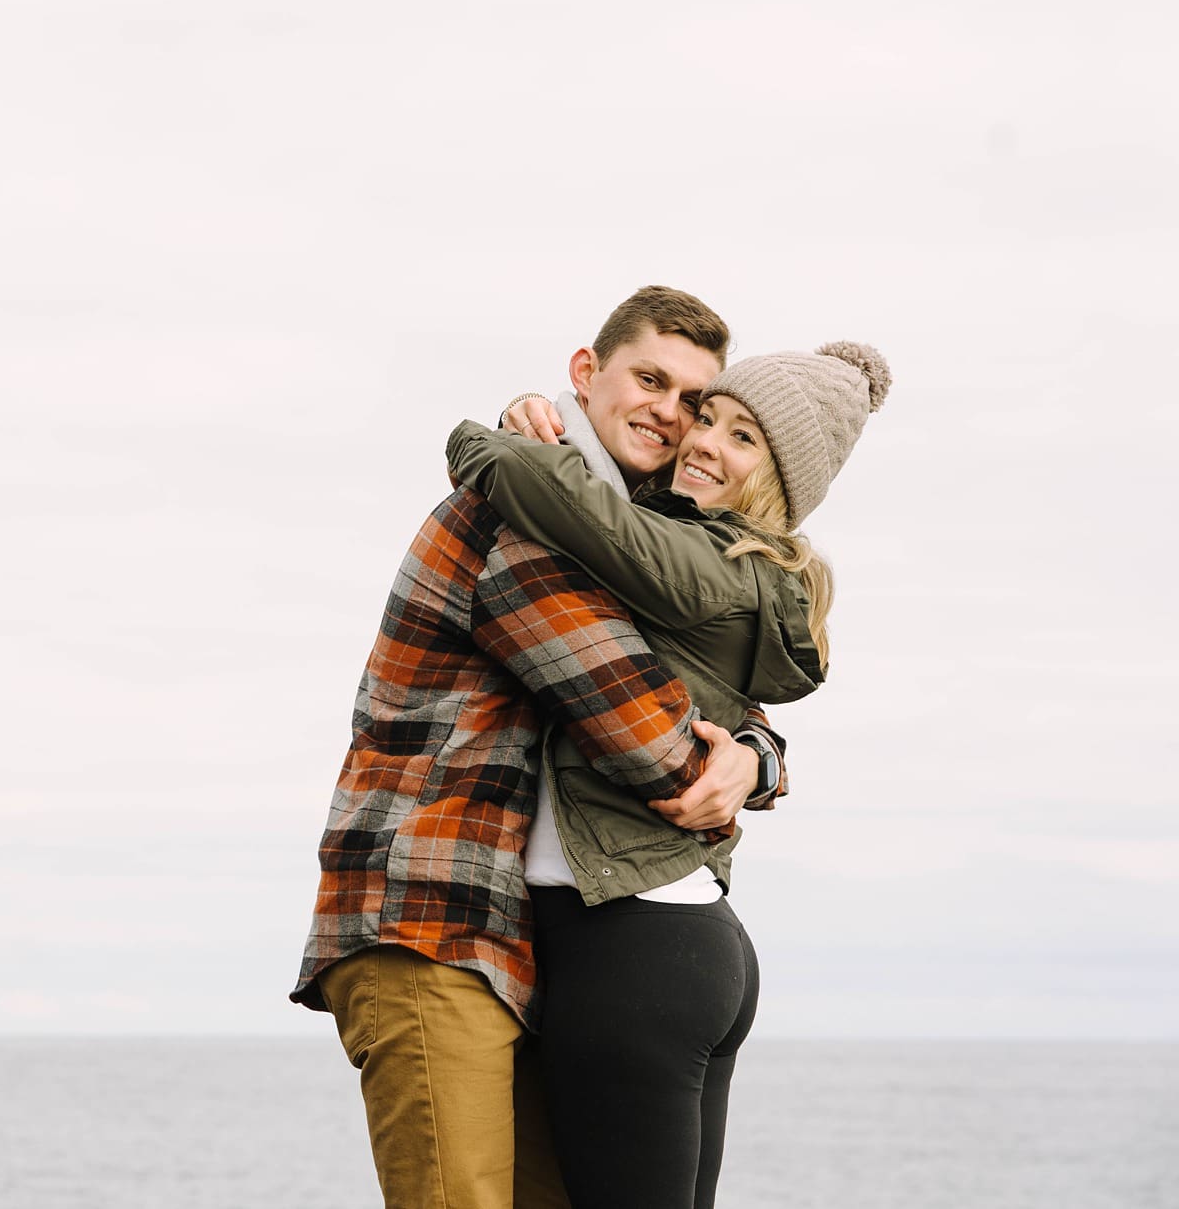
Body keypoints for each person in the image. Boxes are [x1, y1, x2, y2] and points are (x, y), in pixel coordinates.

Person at [291, 286, 780, 1209]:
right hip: (429, 919)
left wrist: (754, 752)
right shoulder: (525, 507)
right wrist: (715, 771)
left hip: (511, 941)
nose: (668, 415)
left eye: (692, 402)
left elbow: (704, 684)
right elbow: (640, 724)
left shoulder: (609, 523)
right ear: (585, 374)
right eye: (649, 378)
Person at [445, 340, 892, 1209]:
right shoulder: (727, 566)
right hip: (684, 938)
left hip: (627, 951)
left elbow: (559, 497)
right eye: (708, 417)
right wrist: (762, 756)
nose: (703, 441)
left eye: (744, 439)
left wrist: (490, 432)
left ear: (780, 483)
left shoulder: (700, 564)